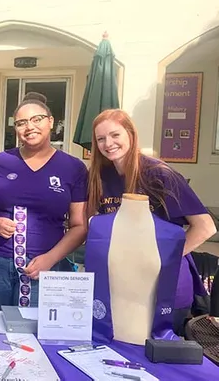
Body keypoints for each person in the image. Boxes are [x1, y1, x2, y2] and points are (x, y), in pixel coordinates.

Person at [88, 109, 217, 335]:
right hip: (122, 288)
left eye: (115, 135)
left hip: (165, 288)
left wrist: (165, 261)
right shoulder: (101, 177)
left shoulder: (159, 174)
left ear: (130, 134)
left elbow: (205, 227)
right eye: (101, 138)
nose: (108, 143)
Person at [0, 92, 88, 310]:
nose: (29, 127)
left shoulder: (73, 168)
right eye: (21, 122)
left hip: (44, 266)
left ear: (51, 122)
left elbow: (79, 226)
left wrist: (50, 259)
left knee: (34, 329)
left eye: (36, 119)